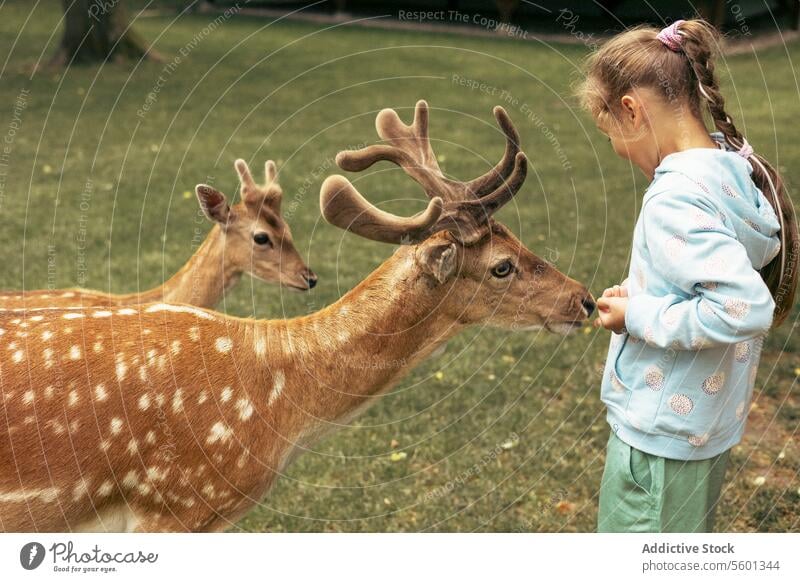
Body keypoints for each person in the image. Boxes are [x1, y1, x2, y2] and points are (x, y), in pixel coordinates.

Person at [578, 19, 798, 532]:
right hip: (701, 424)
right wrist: (640, 291)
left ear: (631, 110)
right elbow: (706, 271)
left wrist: (638, 314)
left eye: (610, 132)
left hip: (662, 435)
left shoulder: (674, 196)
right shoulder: (728, 168)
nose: (617, 149)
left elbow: (742, 306)